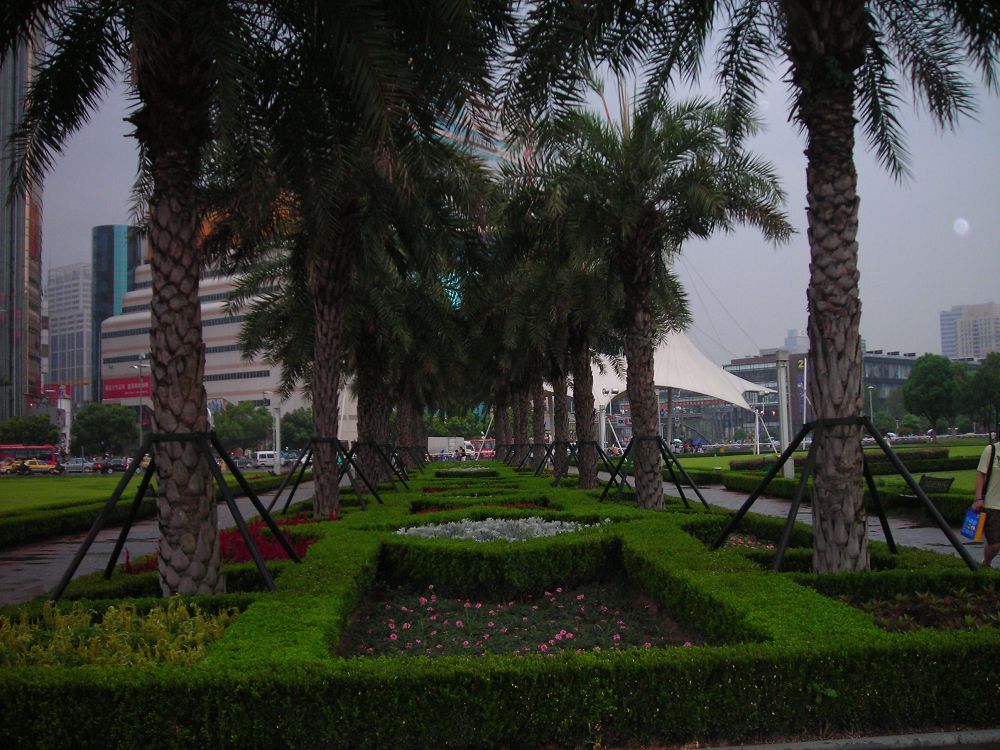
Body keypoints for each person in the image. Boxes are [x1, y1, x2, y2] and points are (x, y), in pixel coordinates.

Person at [972, 441, 999, 568]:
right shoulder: (992, 450)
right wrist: (978, 498)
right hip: (993, 505)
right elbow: (980, 474)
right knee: (995, 544)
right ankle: (986, 563)